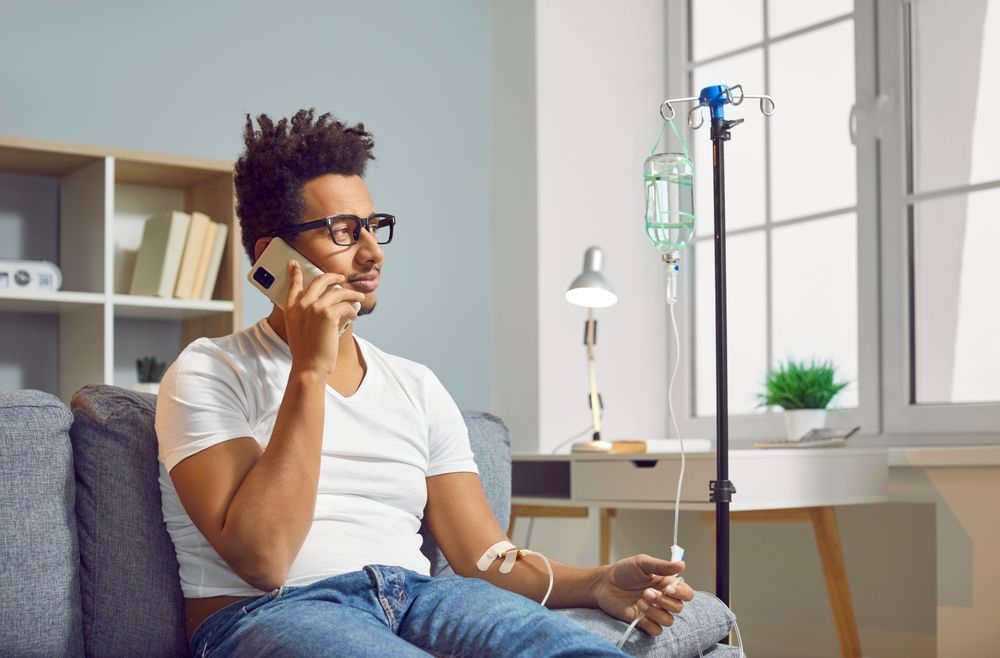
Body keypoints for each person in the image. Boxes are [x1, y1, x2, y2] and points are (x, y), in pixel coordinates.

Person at [155, 109, 695, 657]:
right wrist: (309, 372)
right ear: (273, 253)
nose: (372, 251)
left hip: (418, 597)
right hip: (273, 611)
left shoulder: (416, 386)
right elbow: (263, 557)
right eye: (343, 231)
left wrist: (596, 582)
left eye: (373, 225)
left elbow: (484, 553)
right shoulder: (209, 371)